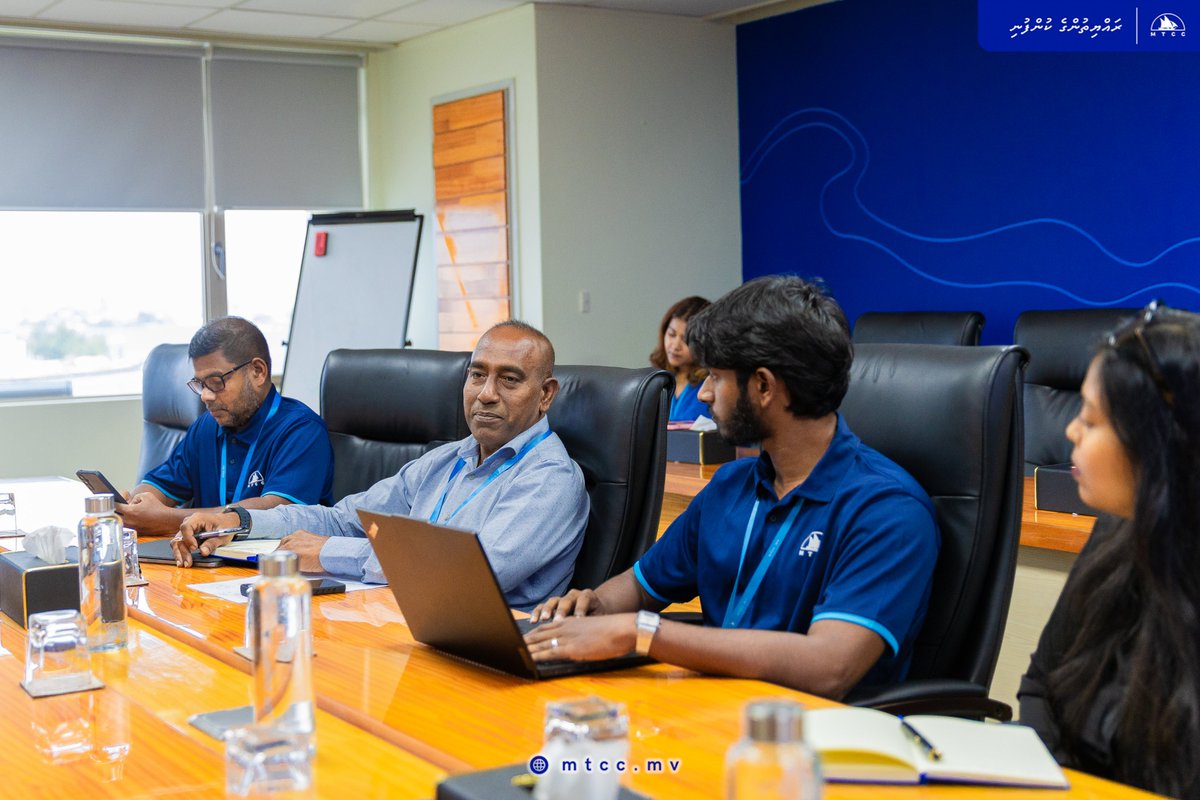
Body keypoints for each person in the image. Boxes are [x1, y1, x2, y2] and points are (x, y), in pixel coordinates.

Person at [524, 276, 939, 699]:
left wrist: (640, 633)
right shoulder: (731, 484)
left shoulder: (887, 510)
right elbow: (640, 587)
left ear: (763, 386)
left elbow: (828, 667)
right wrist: (590, 608)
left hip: (816, 740)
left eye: (716, 377)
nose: (703, 393)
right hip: (716, 711)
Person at [173, 320, 590, 610]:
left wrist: (329, 554)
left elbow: (472, 575)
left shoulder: (550, 478)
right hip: (396, 625)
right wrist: (237, 521)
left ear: (546, 394)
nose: (485, 394)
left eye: (509, 379)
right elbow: (343, 520)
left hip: (482, 661)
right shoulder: (446, 460)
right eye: (477, 375)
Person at [1018, 302, 1200, 798]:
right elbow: (1041, 686)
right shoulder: (1116, 533)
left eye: (1093, 421)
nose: (1070, 431)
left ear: (1157, 443)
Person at [119, 316, 333, 536]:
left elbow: (276, 513)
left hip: (271, 566)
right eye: (200, 384)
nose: (205, 396)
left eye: (215, 382)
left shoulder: (302, 431)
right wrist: (136, 505)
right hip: (206, 563)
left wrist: (166, 520)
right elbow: (160, 486)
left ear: (258, 371)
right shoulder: (206, 426)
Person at [650, 296, 711, 422]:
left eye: (685, 339)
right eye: (671, 334)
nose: (675, 346)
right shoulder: (657, 380)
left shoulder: (711, 386)